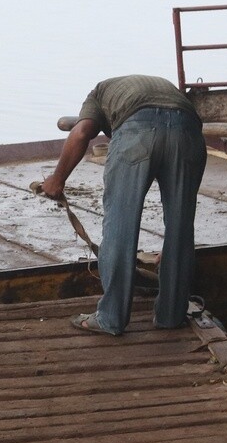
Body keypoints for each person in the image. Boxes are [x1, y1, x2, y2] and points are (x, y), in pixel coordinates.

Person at [38, 75, 206, 335]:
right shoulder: (158, 86)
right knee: (180, 228)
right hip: (188, 132)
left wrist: (57, 179)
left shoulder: (98, 92)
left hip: (136, 132)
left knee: (121, 225)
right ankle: (171, 315)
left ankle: (111, 317)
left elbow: (82, 131)